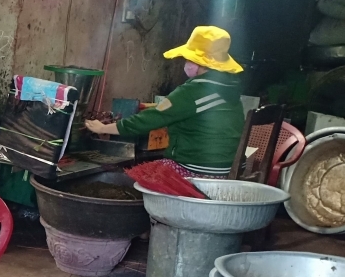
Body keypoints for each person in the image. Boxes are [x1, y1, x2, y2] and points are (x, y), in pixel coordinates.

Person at [84, 25, 245, 177]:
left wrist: (104, 128)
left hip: (197, 169)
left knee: (136, 179)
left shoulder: (195, 90)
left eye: (189, 58)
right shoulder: (229, 88)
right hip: (229, 169)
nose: (186, 63)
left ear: (200, 61)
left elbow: (153, 118)